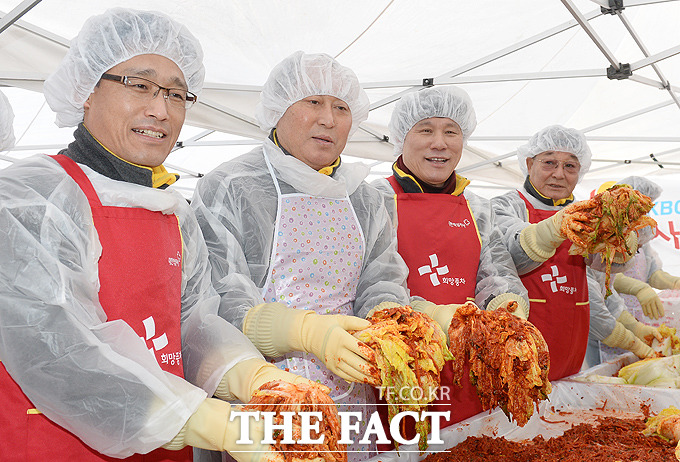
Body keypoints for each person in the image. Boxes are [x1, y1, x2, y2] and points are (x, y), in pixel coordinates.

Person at [0, 9, 315, 462]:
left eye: (176, 94)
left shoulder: (173, 212)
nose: (159, 109)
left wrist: (250, 376)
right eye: (139, 85)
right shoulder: (34, 197)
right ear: (86, 89)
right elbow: (57, 348)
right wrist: (206, 420)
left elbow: (192, 323)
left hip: (169, 442)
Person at [192, 51, 416, 460]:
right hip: (266, 388)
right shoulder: (232, 187)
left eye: (342, 107)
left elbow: (382, 279)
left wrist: (391, 326)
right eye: (313, 101)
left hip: (352, 385)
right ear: (278, 109)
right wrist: (299, 331)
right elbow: (212, 299)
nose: (328, 119)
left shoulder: (365, 198)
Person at [371, 85, 530, 428]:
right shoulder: (375, 200)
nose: (439, 143)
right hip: (402, 367)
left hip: (470, 366)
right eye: (425, 129)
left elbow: (497, 272)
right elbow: (370, 284)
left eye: (451, 132)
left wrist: (506, 310)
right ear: (401, 136)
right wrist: (429, 314)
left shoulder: (477, 206)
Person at [491, 125, 655, 380]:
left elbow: (603, 268)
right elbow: (512, 252)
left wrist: (623, 243)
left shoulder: (588, 213)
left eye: (570, 166)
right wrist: (554, 228)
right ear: (528, 163)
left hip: (571, 347)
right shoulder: (504, 206)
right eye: (549, 162)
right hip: (519, 349)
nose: (558, 174)